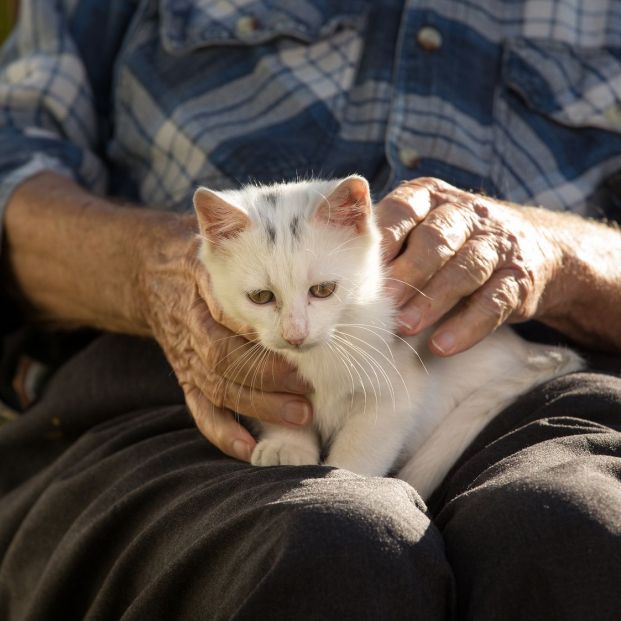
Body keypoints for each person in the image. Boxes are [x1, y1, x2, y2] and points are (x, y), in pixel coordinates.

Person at [0, 1, 620, 619]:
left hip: (538, 373)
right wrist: (147, 271)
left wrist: (560, 257)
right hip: (176, 382)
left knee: (576, 532)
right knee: (325, 546)